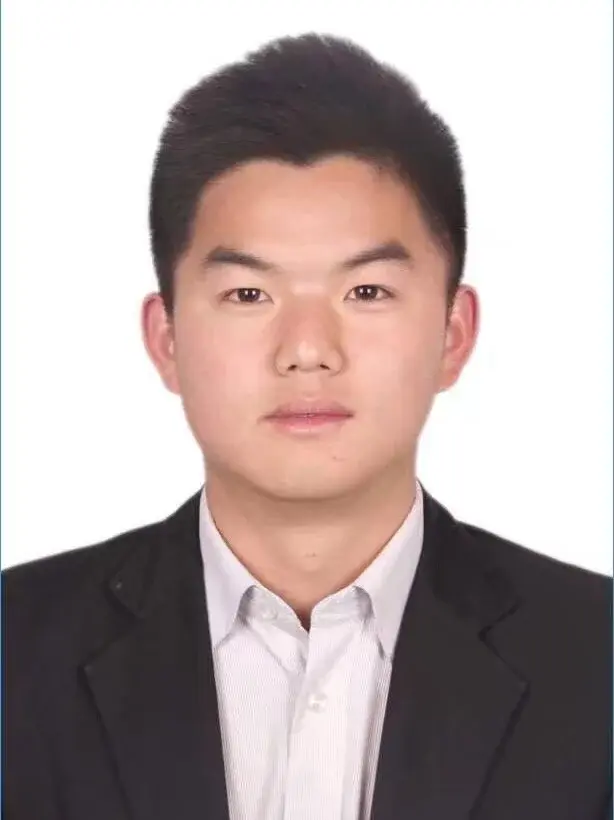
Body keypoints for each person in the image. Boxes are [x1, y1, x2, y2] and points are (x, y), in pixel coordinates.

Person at [3, 32, 611, 820]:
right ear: (167, 340)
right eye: (248, 295)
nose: (308, 350)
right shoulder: (16, 651)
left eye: (367, 292)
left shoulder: (596, 660)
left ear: (454, 334)